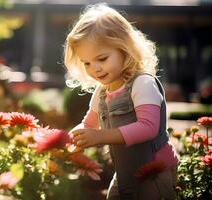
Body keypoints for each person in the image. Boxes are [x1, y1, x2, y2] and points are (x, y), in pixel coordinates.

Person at [64, 4, 179, 200]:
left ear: (124, 48)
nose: (95, 69)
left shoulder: (142, 83)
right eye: (87, 63)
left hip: (155, 173)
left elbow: (148, 127)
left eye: (102, 58)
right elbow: (89, 124)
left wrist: (101, 137)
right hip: (126, 173)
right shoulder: (102, 91)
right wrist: (69, 140)